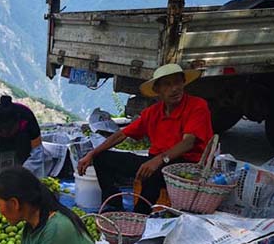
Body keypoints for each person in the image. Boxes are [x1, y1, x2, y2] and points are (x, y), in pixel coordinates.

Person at [77, 63, 213, 214]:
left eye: (177, 82)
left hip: (186, 167)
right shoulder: (153, 112)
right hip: (156, 161)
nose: (174, 89)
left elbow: (188, 142)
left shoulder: (197, 106)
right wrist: (92, 154)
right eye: (167, 84)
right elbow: (121, 134)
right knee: (102, 158)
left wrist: (159, 160)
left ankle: (140, 215)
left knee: (152, 173)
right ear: (157, 90)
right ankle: (113, 205)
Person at [0, 95, 44, 175]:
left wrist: (25, 173)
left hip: (21, 145)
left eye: (9, 132)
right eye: (1, 131)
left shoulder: (27, 117)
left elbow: (36, 153)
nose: (5, 135)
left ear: (17, 123)